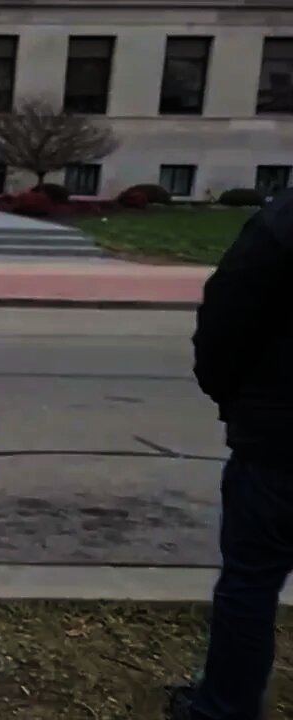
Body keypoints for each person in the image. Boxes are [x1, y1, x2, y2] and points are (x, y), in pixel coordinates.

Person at [170, 187, 293, 720]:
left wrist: (236, 400)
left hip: (280, 441)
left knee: (250, 580)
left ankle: (225, 709)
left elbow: (224, 323)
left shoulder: (282, 224)